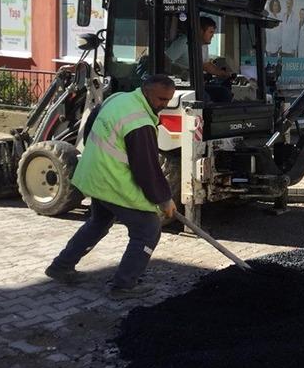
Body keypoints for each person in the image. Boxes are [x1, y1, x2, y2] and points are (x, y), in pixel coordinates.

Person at [45, 75, 177, 300]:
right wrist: (164, 199)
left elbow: (90, 128)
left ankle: (61, 266)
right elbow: (146, 168)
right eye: (160, 99)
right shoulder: (139, 122)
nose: (163, 104)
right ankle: (123, 286)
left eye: (168, 100)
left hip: (96, 175)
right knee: (148, 229)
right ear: (146, 91)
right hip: (111, 180)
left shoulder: (117, 99)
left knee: (98, 222)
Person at [166, 16, 233, 102]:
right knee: (205, 98)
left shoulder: (204, 46)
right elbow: (165, 60)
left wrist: (223, 73)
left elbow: (206, 65)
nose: (212, 36)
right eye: (210, 32)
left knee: (224, 93)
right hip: (183, 86)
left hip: (197, 85)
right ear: (201, 31)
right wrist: (181, 71)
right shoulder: (183, 42)